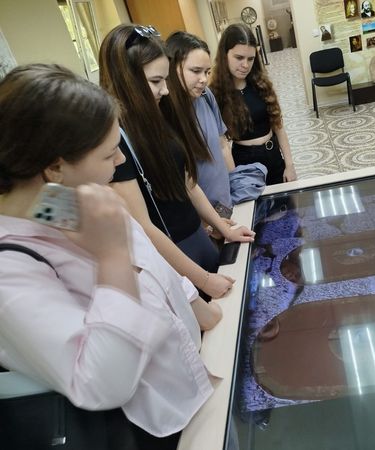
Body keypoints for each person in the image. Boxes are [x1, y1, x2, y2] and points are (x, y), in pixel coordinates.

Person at [0, 63, 221, 448]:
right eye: (108, 154)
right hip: (146, 426)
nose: (120, 161)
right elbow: (101, 381)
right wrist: (112, 258)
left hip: (190, 385)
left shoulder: (63, 200)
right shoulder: (10, 267)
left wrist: (199, 308)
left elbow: (148, 263)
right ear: (55, 167)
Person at [98, 24, 254, 298]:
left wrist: (222, 227)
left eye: (166, 80)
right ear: (127, 79)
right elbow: (144, 227)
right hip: (172, 255)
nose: (166, 90)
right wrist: (204, 280)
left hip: (197, 237)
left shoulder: (158, 114)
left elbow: (187, 183)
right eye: (156, 81)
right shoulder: (116, 139)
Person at [210, 23, 297, 186]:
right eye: (239, 58)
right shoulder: (216, 94)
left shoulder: (261, 83)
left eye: (250, 59)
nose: (245, 65)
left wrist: (290, 165)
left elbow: (278, 125)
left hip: (273, 155)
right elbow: (221, 145)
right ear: (224, 55)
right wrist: (235, 180)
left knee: (286, 202)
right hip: (244, 163)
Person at [164, 31, 234, 212]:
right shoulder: (165, 115)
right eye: (196, 71)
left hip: (227, 202)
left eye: (207, 72)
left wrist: (234, 185)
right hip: (203, 216)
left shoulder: (205, 95)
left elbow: (223, 145)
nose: (204, 79)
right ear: (171, 67)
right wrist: (209, 221)